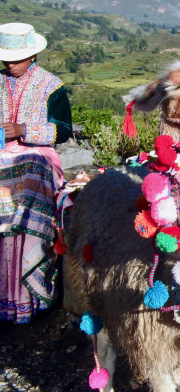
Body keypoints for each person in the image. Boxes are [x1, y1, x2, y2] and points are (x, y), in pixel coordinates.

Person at [0, 22, 72, 323]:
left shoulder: (50, 85)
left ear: (32, 56)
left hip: (37, 155)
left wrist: (23, 130)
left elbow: (63, 130)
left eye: (17, 58)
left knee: (31, 182)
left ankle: (29, 294)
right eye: (7, 58)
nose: (11, 63)